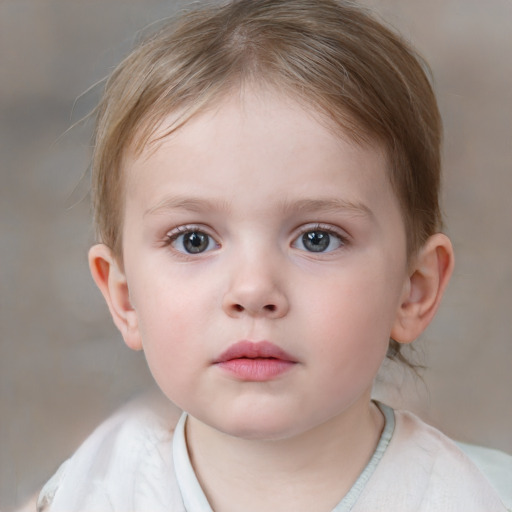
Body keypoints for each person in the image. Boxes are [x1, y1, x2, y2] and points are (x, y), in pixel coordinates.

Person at [37, 0, 511, 510]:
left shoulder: (478, 497)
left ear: (412, 290)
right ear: (125, 298)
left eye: (317, 238)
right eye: (194, 240)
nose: (253, 290)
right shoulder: (87, 494)